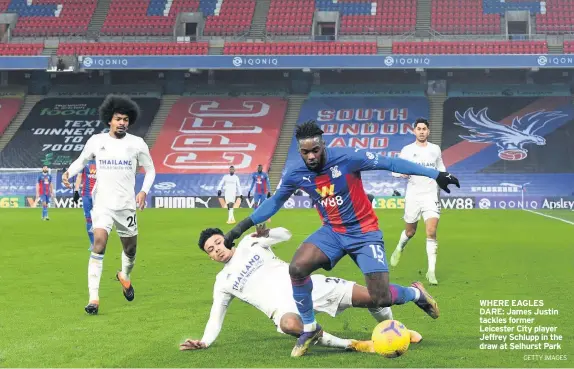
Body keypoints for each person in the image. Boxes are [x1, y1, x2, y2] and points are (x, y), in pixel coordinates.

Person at [224, 120, 460, 357]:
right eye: (305, 152)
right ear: (299, 151)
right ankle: (310, 328)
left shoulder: (347, 158)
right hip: (332, 232)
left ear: (323, 145)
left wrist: (435, 174)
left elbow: (390, 162)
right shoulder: (297, 173)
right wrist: (238, 229)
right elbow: (275, 202)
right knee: (297, 268)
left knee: (380, 297)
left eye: (315, 150)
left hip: (364, 232)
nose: (311, 156)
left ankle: (416, 293)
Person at [180, 224, 423, 353]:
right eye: (210, 250)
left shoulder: (248, 243)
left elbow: (286, 235)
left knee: (373, 297)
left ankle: (399, 326)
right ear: (210, 257)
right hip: (283, 309)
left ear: (225, 238)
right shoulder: (223, 282)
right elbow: (216, 317)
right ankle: (353, 344)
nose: (217, 249)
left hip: (306, 286)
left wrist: (268, 233)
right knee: (289, 325)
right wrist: (205, 341)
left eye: (217, 243)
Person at [62, 94, 156, 315]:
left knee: (130, 249)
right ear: (109, 120)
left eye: (125, 119)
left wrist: (143, 191)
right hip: (102, 203)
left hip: (126, 205)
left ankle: (124, 274)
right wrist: (69, 172)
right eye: (118, 118)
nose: (122, 122)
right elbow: (82, 160)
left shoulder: (137, 144)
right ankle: (93, 298)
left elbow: (150, 170)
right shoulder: (97, 141)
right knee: (99, 244)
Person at [390, 118, 445, 286]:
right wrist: (402, 174)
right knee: (410, 232)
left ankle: (431, 271)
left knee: (431, 231)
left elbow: (441, 169)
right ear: (414, 131)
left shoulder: (435, 149)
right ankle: (400, 247)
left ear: (428, 131)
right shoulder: (407, 150)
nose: (421, 131)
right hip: (413, 196)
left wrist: (445, 179)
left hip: (430, 196)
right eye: (419, 128)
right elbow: (395, 170)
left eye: (424, 129)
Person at [73, 159, 97, 251]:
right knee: (88, 219)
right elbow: (79, 177)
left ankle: (99, 240)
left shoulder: (101, 160)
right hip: (86, 194)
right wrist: (76, 191)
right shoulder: (84, 162)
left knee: (99, 218)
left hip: (98, 194)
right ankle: (92, 243)